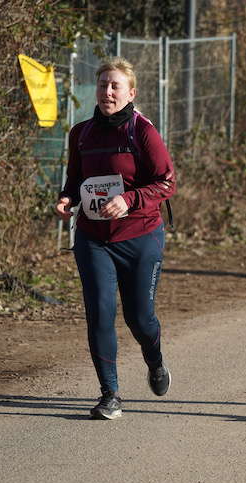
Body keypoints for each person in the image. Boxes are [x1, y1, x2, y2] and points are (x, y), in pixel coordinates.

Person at [54, 57, 176, 420]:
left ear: (131, 93)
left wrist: (128, 199)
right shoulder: (81, 134)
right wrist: (66, 199)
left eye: (115, 86)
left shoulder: (143, 132)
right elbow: (75, 180)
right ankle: (110, 394)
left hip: (140, 235)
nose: (107, 91)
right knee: (100, 313)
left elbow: (167, 182)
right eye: (103, 84)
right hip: (94, 238)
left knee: (140, 319)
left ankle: (154, 360)